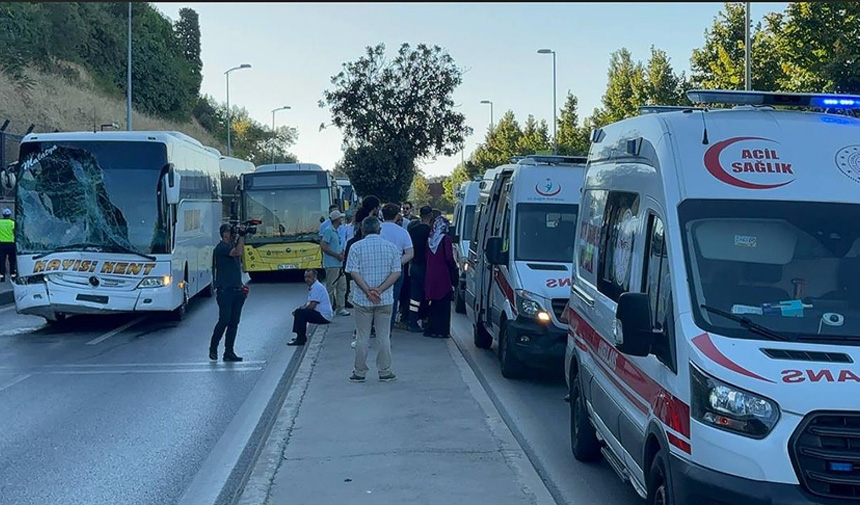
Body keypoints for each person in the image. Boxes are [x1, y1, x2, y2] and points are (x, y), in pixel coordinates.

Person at [345, 216, 401, 382]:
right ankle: (385, 371)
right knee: (383, 337)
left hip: (362, 300)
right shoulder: (391, 248)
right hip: (385, 300)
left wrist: (368, 291)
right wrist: (380, 289)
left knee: (362, 336)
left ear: (362, 229)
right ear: (379, 229)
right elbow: (396, 272)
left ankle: (359, 372)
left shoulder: (356, 247)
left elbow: (353, 272)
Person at [210, 223, 249, 362]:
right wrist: (242, 236)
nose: (233, 233)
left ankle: (229, 352)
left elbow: (236, 264)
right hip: (225, 291)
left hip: (237, 291)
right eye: (230, 231)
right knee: (224, 320)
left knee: (234, 323)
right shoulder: (221, 248)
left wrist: (242, 286)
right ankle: (213, 348)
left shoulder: (232, 246)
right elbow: (238, 252)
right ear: (224, 234)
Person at [379, 203, 414, 331]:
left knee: (376, 296)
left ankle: (376, 326)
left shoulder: (377, 229)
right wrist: (398, 262)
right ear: (396, 216)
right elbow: (410, 253)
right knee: (393, 299)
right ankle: (389, 327)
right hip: (396, 270)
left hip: (378, 268)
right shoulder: (403, 232)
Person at [424, 215, 456, 338]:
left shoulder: (430, 240)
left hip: (431, 274)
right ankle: (442, 330)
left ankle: (431, 329)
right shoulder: (445, 239)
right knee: (444, 304)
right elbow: (449, 257)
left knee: (434, 303)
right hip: (443, 275)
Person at [406, 205, 433, 332]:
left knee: (414, 295)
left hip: (414, 264)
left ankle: (412, 320)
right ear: (430, 216)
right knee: (426, 294)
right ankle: (425, 318)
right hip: (427, 266)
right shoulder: (431, 232)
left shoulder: (412, 230)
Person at [287, 269, 333, 346]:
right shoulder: (314, 287)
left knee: (301, 313)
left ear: (315, 277)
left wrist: (300, 311)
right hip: (321, 314)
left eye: (309, 277)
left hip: (324, 316)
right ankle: (300, 336)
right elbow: (308, 303)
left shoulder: (317, 287)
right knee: (299, 311)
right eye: (305, 277)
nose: (307, 279)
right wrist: (300, 309)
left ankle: (301, 339)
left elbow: (312, 305)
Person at [321, 210, 349, 316]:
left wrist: (341, 253)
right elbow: (323, 246)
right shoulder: (329, 231)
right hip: (332, 264)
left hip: (339, 263)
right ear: (337, 219)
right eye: (340, 218)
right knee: (331, 287)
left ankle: (340, 308)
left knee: (342, 286)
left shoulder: (337, 231)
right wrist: (336, 255)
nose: (342, 220)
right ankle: (329, 308)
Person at [0, 208, 16, 282]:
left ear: (3, 215)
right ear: (9, 215)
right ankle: (13, 275)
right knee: (12, 260)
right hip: (11, 244)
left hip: (1, 244)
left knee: (1, 260)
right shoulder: (12, 223)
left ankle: (2, 276)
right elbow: (15, 233)